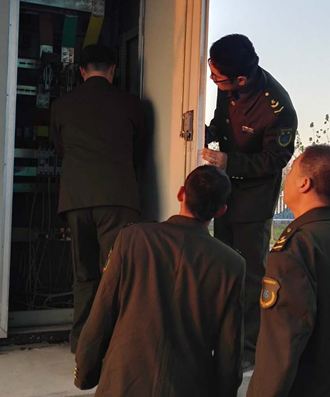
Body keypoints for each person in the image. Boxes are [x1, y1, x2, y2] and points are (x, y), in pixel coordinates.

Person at [74, 165, 246, 397]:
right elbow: (229, 347)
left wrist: (85, 372)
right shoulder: (231, 263)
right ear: (221, 211)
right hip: (189, 387)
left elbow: (102, 312)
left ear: (181, 193)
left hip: (122, 382)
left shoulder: (133, 238)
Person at [247, 145, 330, 397]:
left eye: (290, 171)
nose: (286, 178)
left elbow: (279, 349)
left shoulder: (294, 249)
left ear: (304, 184)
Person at [202, 34, 297, 366]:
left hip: (253, 202)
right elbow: (222, 123)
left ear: (240, 79)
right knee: (223, 269)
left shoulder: (277, 107)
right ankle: (221, 339)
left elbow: (274, 159)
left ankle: (248, 350)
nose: (212, 79)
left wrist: (229, 162)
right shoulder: (226, 83)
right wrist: (203, 133)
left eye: (217, 77)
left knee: (251, 276)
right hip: (225, 193)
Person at [49, 44, 146, 354]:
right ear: (113, 69)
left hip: (76, 199)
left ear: (81, 70)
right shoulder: (132, 104)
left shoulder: (62, 105)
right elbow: (139, 152)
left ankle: (82, 342)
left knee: (84, 274)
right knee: (117, 272)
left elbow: (60, 149)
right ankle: (115, 343)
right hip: (118, 198)